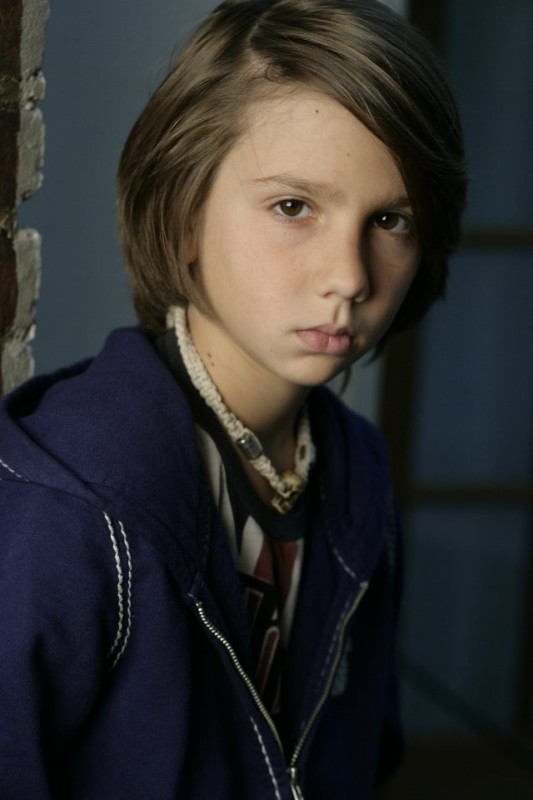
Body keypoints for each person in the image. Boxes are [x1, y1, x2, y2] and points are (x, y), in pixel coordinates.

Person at [0, 1, 466, 797]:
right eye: (293, 207)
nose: (349, 276)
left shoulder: (356, 470)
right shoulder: (64, 502)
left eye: (389, 220)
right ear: (184, 216)